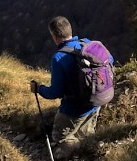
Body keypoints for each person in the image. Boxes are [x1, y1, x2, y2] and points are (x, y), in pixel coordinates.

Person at [28, 16, 112, 149]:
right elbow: (110, 61)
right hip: (95, 102)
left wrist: (39, 89)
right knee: (86, 135)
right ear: (70, 30)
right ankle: (88, 154)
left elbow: (55, 92)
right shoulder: (89, 45)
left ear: (54, 36)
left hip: (73, 109)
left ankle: (74, 155)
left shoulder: (59, 58)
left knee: (60, 137)